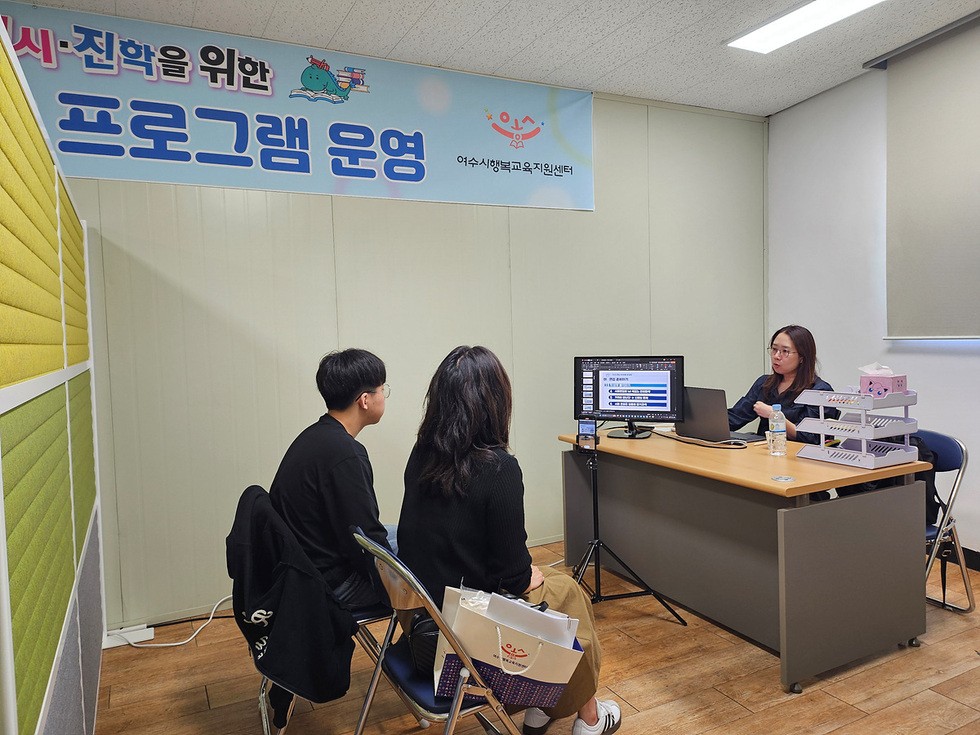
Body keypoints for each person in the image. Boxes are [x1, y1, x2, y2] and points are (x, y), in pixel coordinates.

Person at [398, 345, 622, 735]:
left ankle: (543, 706)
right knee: (570, 595)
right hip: (464, 628)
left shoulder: (423, 453)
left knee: (555, 587)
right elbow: (513, 576)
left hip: (422, 613)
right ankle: (588, 718)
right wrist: (525, 576)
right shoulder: (498, 468)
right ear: (495, 402)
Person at [269, 348, 392, 613]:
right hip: (329, 583)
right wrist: (398, 588)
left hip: (302, 566)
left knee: (402, 534)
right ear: (365, 400)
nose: (384, 396)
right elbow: (365, 538)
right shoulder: (346, 454)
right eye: (382, 389)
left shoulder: (314, 437)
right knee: (423, 559)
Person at [728, 324, 837, 445]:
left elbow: (812, 437)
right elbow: (736, 417)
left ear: (802, 357)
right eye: (774, 349)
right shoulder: (764, 383)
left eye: (785, 351)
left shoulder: (819, 391)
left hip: (796, 454)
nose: (776, 356)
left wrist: (775, 415)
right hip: (764, 452)